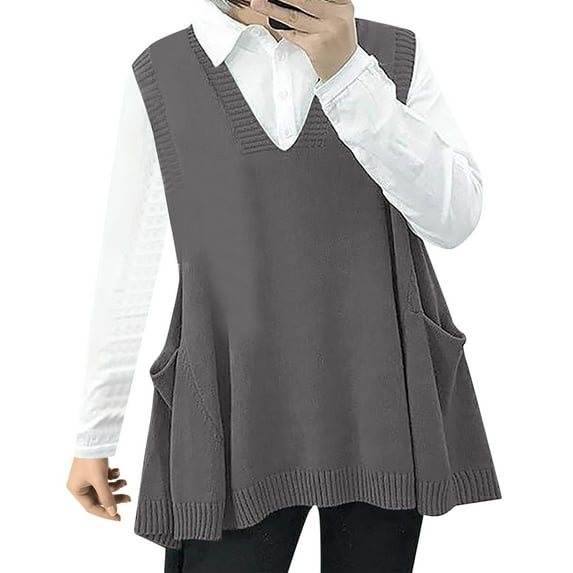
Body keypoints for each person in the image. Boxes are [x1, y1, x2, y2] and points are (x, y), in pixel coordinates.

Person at [66, 1, 501, 571]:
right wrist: (95, 435)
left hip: (379, 397)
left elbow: (455, 219)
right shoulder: (164, 72)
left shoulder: (392, 56)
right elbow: (126, 261)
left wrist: (349, 75)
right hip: (234, 405)